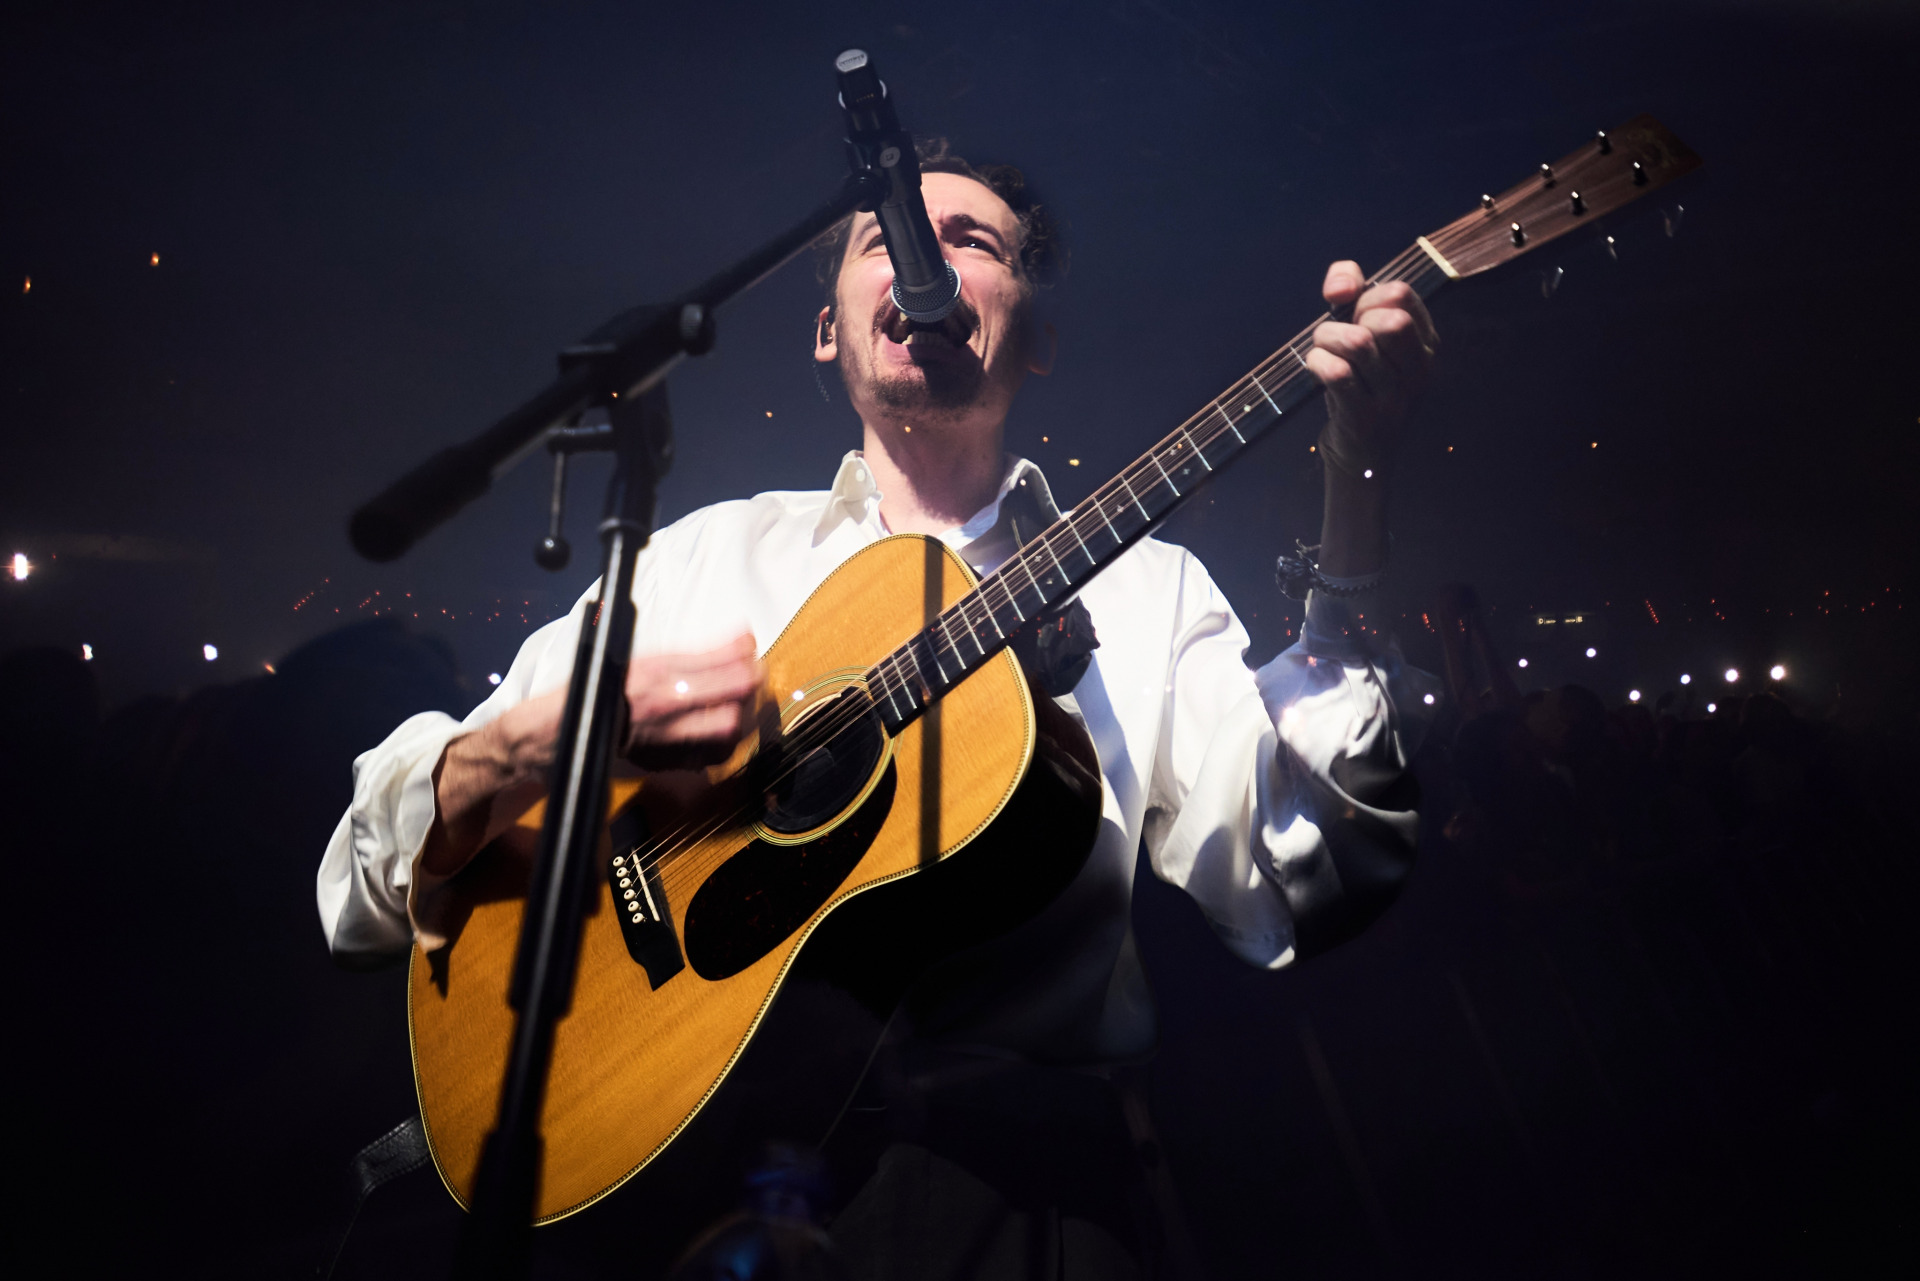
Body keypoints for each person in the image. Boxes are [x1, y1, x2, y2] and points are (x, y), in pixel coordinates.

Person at [317, 144, 1438, 1279]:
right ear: (827, 328)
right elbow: (358, 889)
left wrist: (1358, 487)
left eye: (973, 242)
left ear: (1034, 335)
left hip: (1008, 1203)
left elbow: (1314, 878)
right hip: (676, 1189)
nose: (923, 256)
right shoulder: (704, 554)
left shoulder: (1146, 589)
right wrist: (505, 755)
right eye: (884, 239)